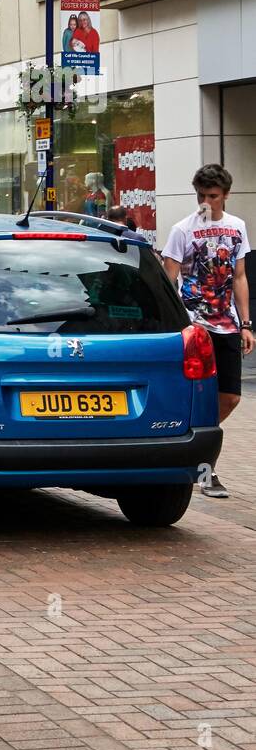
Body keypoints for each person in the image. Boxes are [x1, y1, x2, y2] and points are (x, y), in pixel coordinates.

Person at [162, 163, 254, 499]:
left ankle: (189, 445)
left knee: (230, 397)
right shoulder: (182, 230)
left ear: (225, 195)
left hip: (227, 322)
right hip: (195, 324)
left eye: (213, 196)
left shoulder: (237, 227)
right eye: (201, 195)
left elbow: (240, 276)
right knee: (199, 397)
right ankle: (204, 467)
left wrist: (246, 323)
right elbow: (169, 277)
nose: (206, 202)